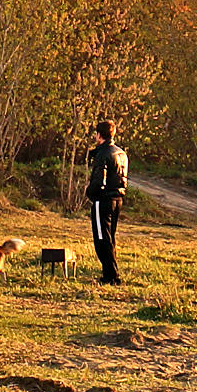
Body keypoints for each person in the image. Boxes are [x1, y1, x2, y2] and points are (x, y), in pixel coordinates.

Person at [86, 120, 129, 285]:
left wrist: (90, 192)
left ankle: (111, 276)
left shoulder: (102, 154)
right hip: (118, 199)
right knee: (110, 238)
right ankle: (110, 273)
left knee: (101, 239)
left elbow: (99, 181)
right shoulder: (121, 153)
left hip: (103, 200)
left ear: (98, 135)